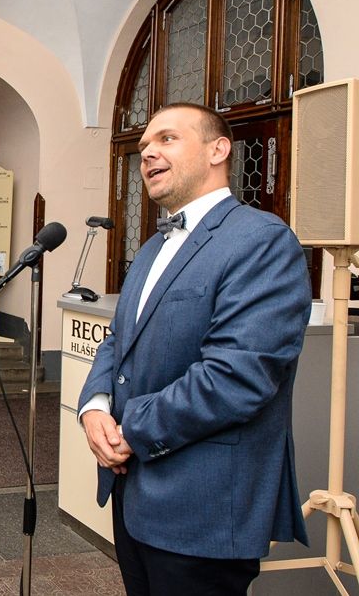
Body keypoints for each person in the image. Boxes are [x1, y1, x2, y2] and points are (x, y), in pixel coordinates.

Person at [78, 103, 310, 595]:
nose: (148, 154)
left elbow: (236, 377)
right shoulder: (151, 248)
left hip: (202, 507)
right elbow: (120, 339)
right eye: (143, 147)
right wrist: (94, 407)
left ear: (217, 150)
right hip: (134, 495)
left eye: (167, 139)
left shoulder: (261, 240)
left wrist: (129, 429)